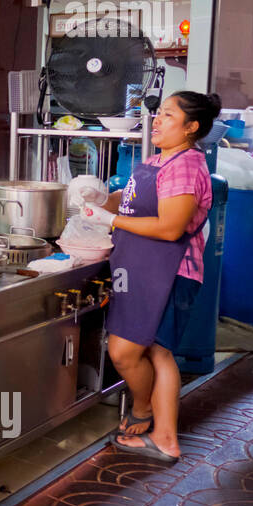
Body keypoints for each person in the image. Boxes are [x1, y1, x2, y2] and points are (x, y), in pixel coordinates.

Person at [80, 91, 220, 463]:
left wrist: (111, 220)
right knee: (139, 351)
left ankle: (162, 433)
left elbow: (171, 228)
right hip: (138, 267)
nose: (157, 120)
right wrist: (102, 199)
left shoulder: (188, 165)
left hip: (170, 270)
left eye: (168, 116)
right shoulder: (157, 160)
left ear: (192, 127)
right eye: (158, 114)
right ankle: (147, 415)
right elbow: (130, 200)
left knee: (147, 351)